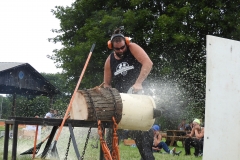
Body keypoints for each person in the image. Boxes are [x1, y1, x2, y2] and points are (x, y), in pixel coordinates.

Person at [104, 28, 153, 160]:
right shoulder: (109, 61)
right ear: (111, 47)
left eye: (122, 47)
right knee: (111, 137)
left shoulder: (132, 48)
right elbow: (107, 84)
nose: (120, 50)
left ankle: (147, 157)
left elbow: (148, 63)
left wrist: (138, 83)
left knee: (142, 136)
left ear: (125, 43)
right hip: (121, 102)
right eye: (117, 49)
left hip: (138, 99)